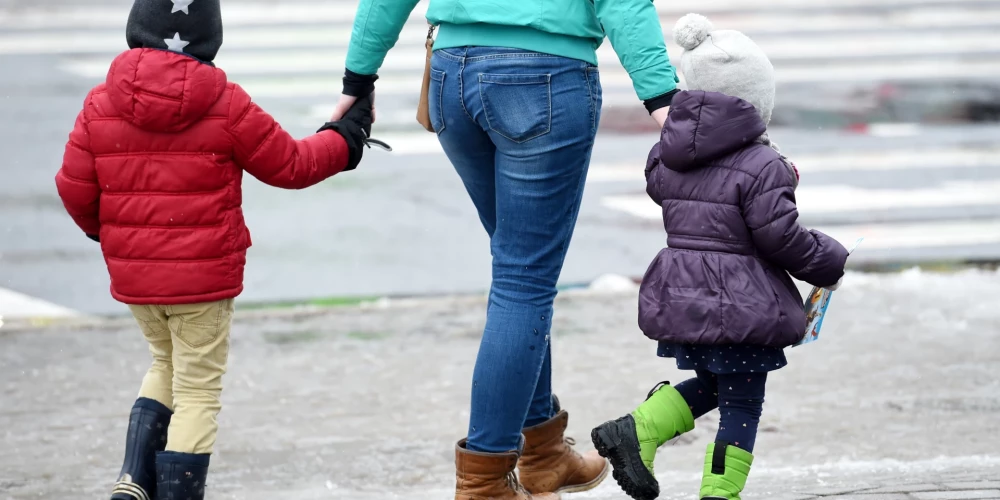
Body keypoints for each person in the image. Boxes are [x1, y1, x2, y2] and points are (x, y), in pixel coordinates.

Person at [331, 0, 682, 497]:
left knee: (518, 270)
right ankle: (484, 482)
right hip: (543, 78)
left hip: (454, 76)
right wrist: (662, 96)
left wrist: (358, 79)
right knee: (524, 280)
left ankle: (542, 451)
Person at [53, 1, 372, 498]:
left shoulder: (100, 102)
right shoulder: (224, 102)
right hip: (202, 284)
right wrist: (345, 142)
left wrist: (109, 235)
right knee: (198, 388)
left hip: (137, 282)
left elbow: (74, 189)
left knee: (164, 364)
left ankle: (132, 481)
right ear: (208, 38)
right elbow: (290, 165)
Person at [590, 14, 848, 500]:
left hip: (686, 292)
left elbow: (667, 190)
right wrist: (828, 259)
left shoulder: (669, 154)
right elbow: (781, 239)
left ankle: (637, 429)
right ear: (756, 104)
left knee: (713, 381)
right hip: (742, 301)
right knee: (743, 404)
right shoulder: (762, 164)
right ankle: (718, 495)